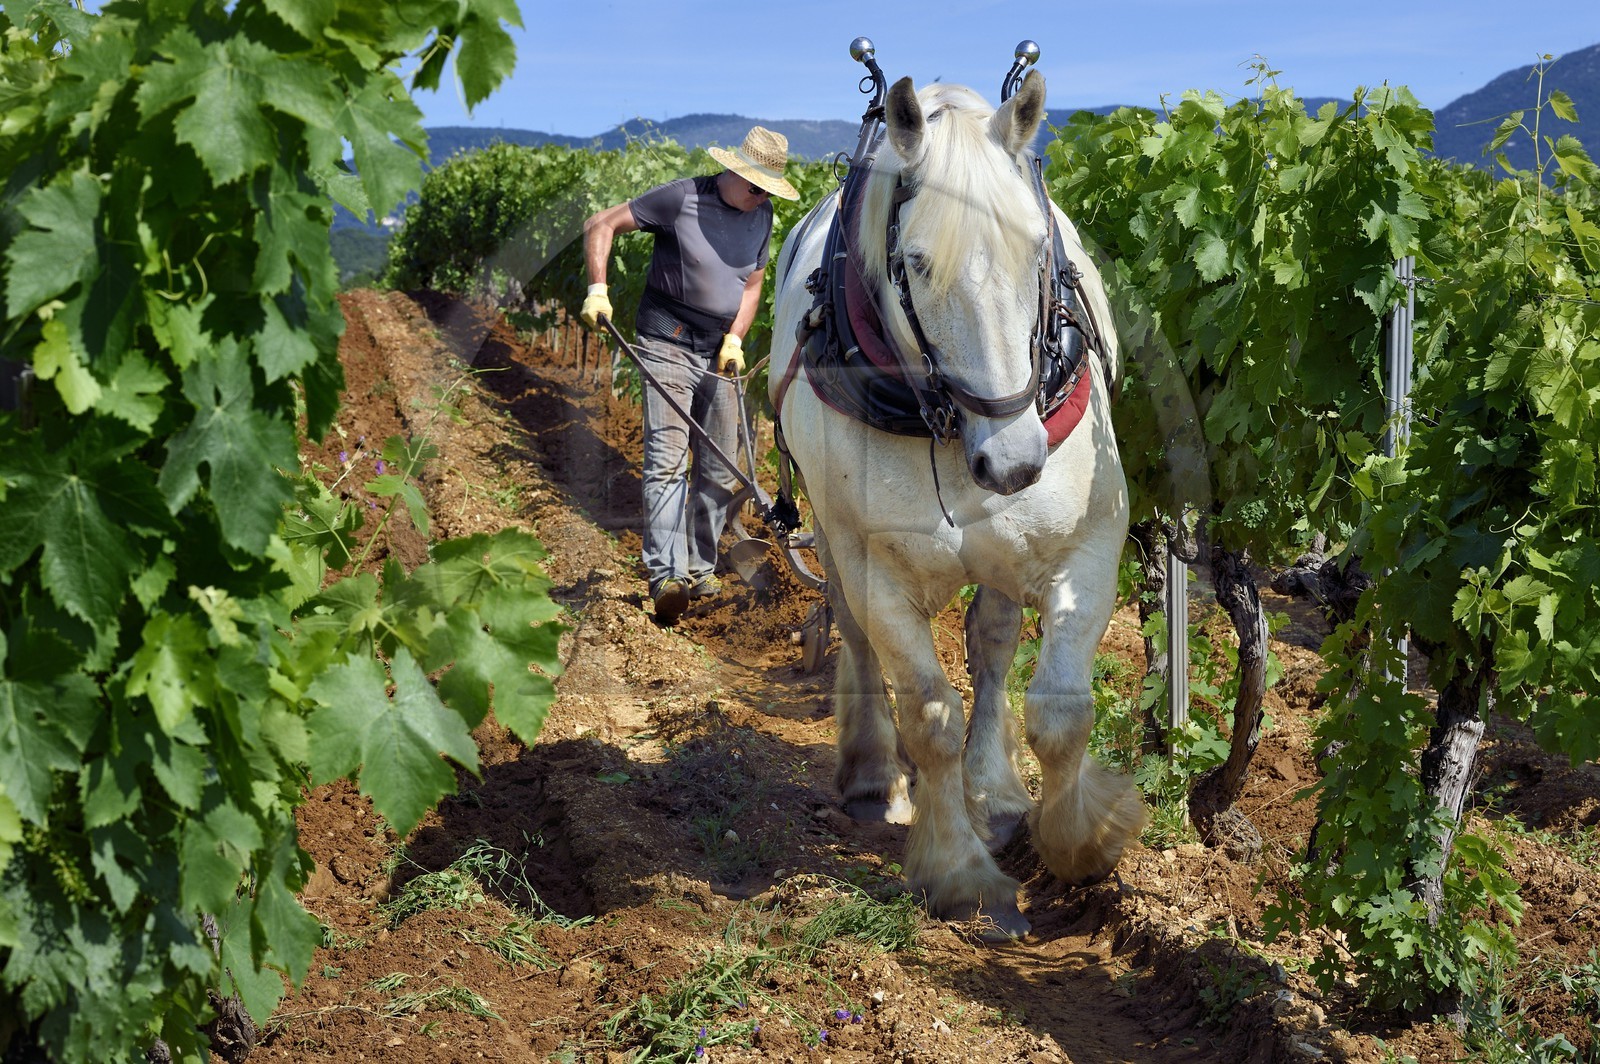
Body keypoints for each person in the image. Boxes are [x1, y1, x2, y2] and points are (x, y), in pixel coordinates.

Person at [580, 127, 800, 625]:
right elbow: (602, 223)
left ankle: (700, 568)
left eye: (769, 190)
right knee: (668, 460)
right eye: (756, 186)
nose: (761, 197)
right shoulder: (681, 198)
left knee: (723, 468)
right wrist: (598, 288)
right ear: (733, 171)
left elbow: (753, 283)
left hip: (717, 351)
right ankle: (665, 575)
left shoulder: (761, 215)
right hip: (666, 342)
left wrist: (737, 338)